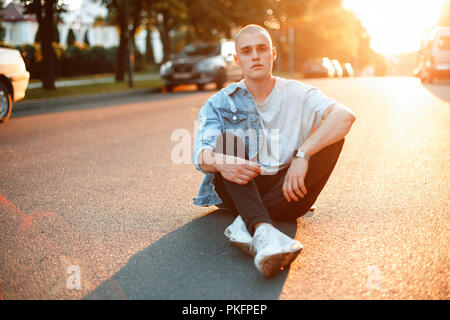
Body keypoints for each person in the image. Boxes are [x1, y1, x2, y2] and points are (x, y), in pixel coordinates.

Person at [192, 24, 356, 277]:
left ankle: (247, 226)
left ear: (273, 54)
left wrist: (303, 155)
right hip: (241, 188)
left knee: (332, 138)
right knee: (226, 143)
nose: (255, 56)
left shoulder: (299, 93)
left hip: (289, 191)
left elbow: (344, 117)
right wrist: (221, 162)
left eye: (262, 49)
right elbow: (201, 153)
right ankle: (262, 229)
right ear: (237, 59)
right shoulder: (220, 103)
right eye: (246, 51)